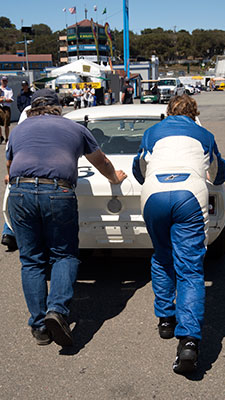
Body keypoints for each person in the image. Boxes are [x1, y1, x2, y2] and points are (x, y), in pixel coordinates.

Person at [6, 89, 127, 347]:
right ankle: (57, 311)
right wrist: (115, 178)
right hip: (57, 191)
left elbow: (9, 166)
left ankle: (39, 326)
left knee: (31, 260)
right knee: (64, 254)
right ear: (57, 107)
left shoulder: (18, 130)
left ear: (33, 108)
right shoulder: (75, 128)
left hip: (19, 190)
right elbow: (101, 161)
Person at [132, 94, 225, 374]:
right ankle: (188, 341)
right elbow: (219, 172)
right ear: (193, 112)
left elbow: (139, 170)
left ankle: (165, 319)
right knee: (190, 269)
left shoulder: (152, 132)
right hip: (190, 194)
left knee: (162, 257)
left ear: (168, 111)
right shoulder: (204, 134)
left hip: (154, 195)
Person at [0, 76, 14, 143]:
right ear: (1, 81)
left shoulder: (9, 90)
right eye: (3, 80)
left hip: (6, 108)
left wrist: (4, 99)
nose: (4, 82)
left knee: (6, 125)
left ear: (7, 82)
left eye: (5, 81)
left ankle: (7, 138)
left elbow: (11, 100)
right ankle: (1, 136)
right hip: (0, 107)